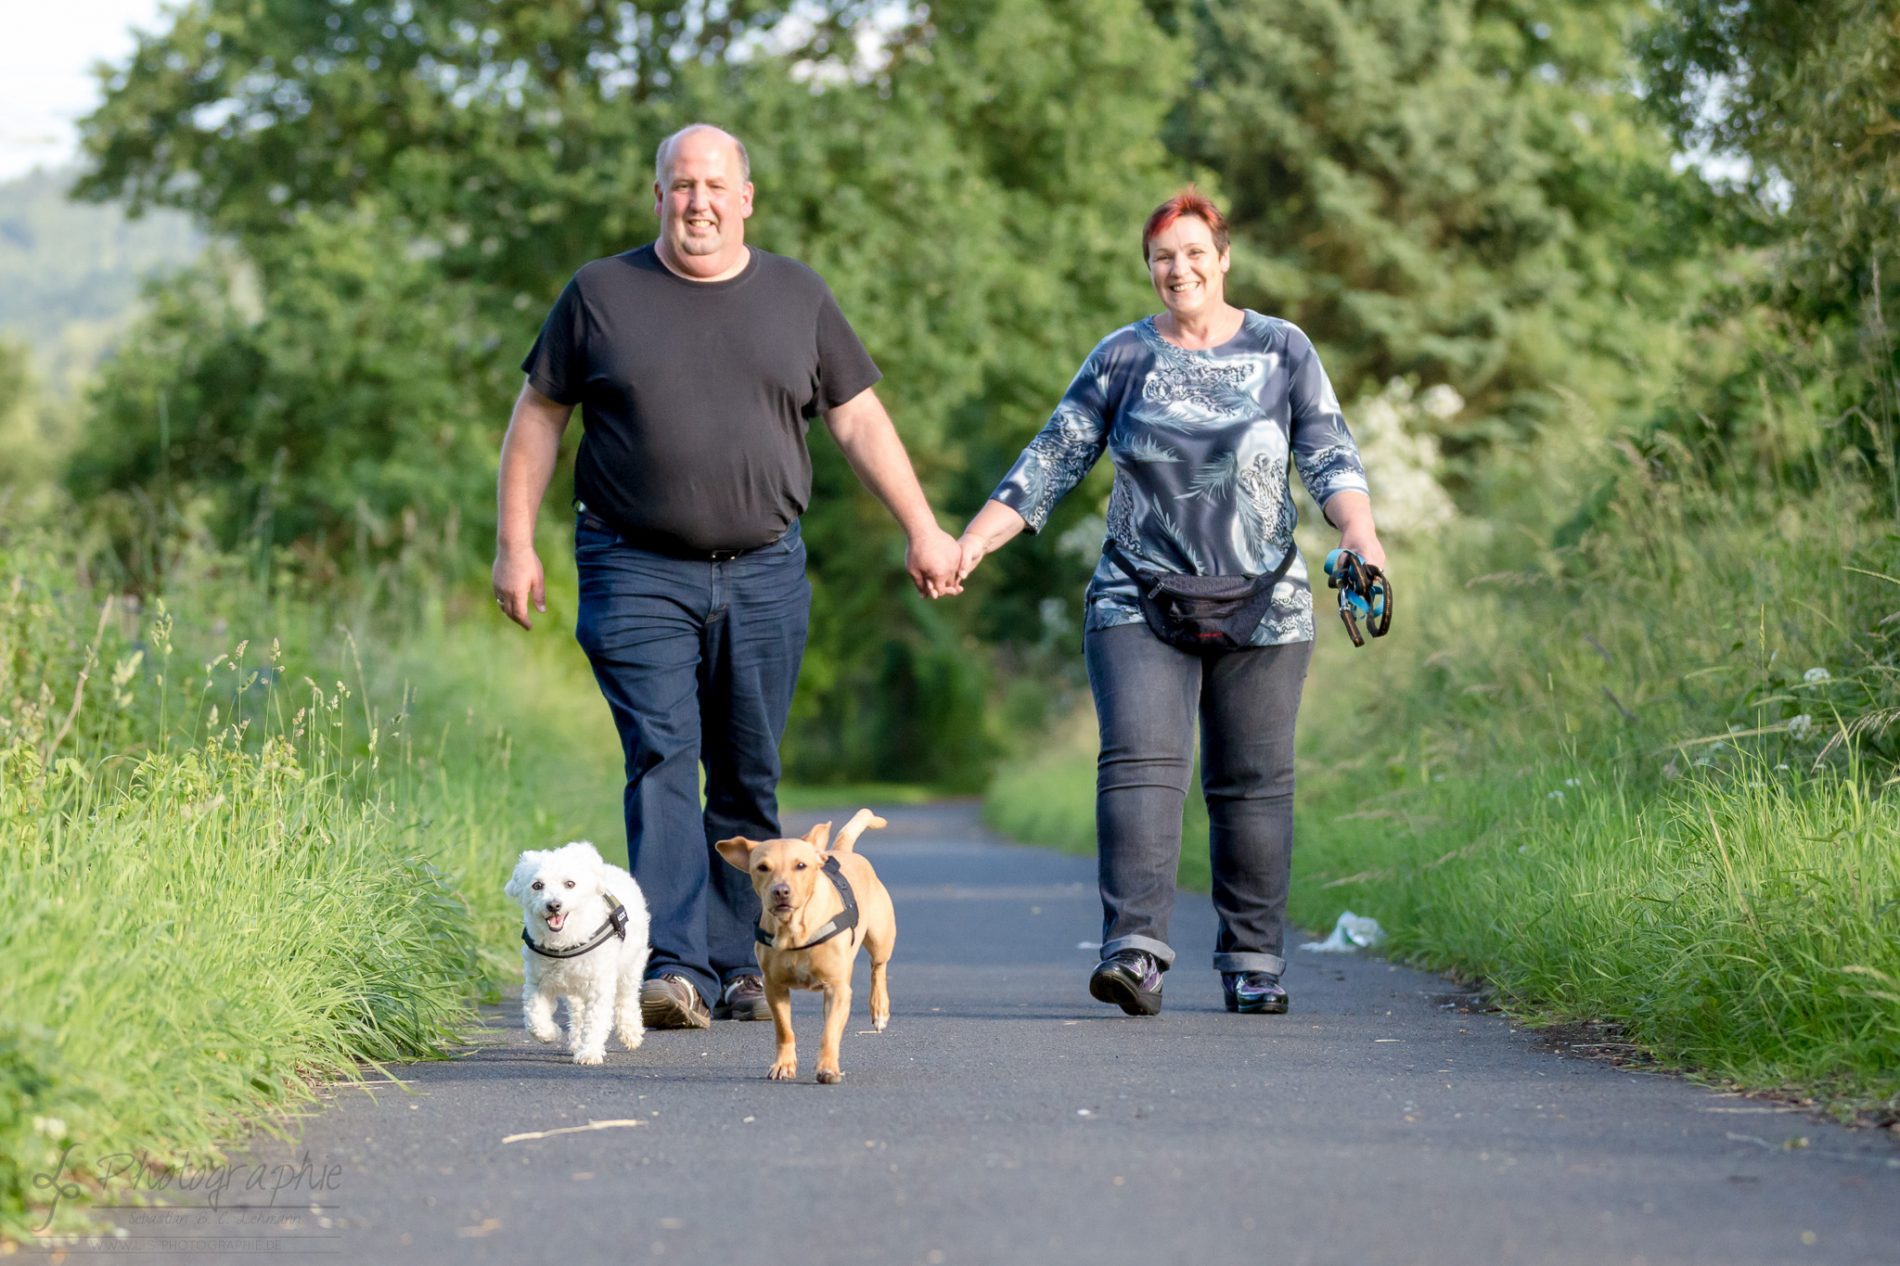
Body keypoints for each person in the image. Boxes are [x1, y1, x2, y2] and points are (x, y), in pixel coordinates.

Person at [493, 123, 963, 1030]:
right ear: (658, 195)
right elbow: (538, 417)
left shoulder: (797, 295)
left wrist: (923, 528)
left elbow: (859, 419)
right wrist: (516, 543)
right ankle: (672, 967)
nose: (697, 201)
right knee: (663, 756)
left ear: (746, 196)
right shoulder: (600, 293)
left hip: (764, 572)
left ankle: (742, 964)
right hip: (633, 567)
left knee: (747, 772)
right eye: (680, 185)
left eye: (714, 185)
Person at [957, 189, 1384, 1017]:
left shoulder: (1283, 349)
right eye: (1161, 256)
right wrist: (972, 542)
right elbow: (1051, 458)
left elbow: (1329, 452)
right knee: (1141, 767)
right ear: (1148, 268)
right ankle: (1135, 955)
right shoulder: (1121, 358)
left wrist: (1361, 536)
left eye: (1193, 252)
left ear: (1223, 257)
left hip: (1266, 596)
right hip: (1137, 590)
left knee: (1253, 782)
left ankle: (1254, 963)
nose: (1177, 268)